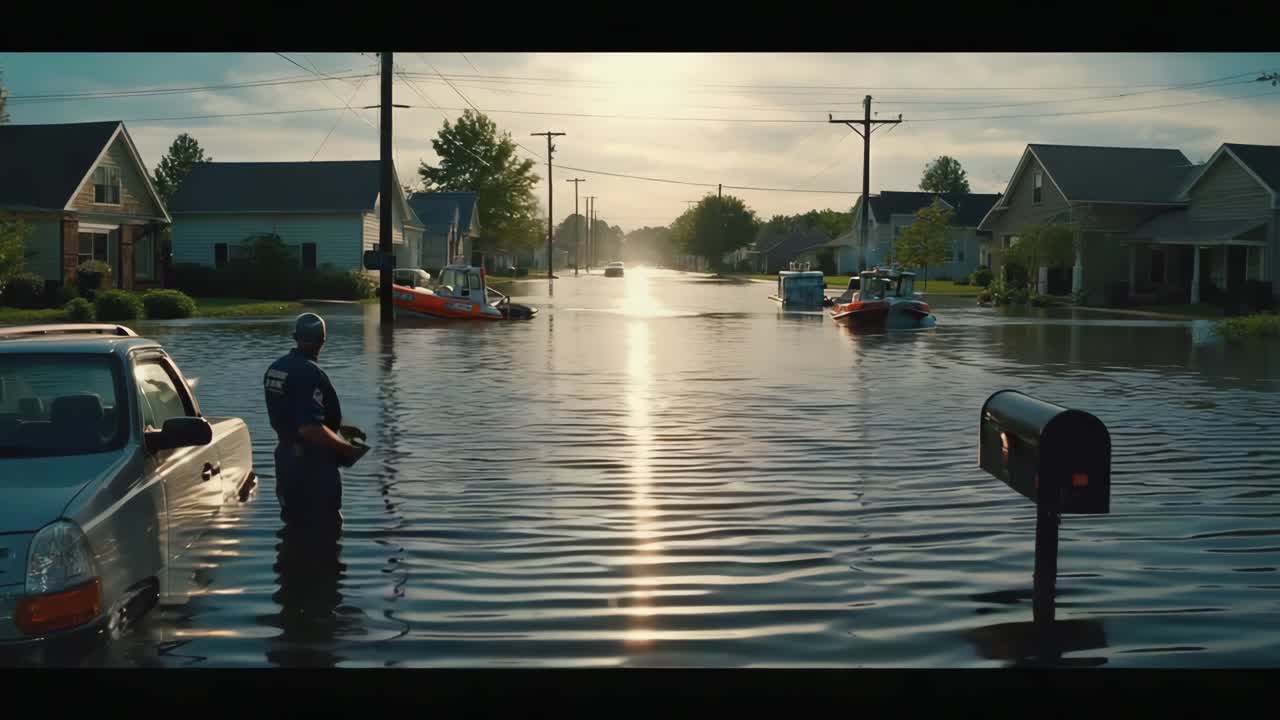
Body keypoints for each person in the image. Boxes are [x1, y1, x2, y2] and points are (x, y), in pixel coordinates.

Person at [263, 313, 365, 536]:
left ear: (294, 336)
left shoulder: (276, 368)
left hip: (286, 460)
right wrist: (348, 450)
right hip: (312, 468)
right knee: (326, 531)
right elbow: (309, 428)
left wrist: (336, 429)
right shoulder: (308, 372)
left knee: (293, 528)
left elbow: (292, 416)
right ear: (323, 340)